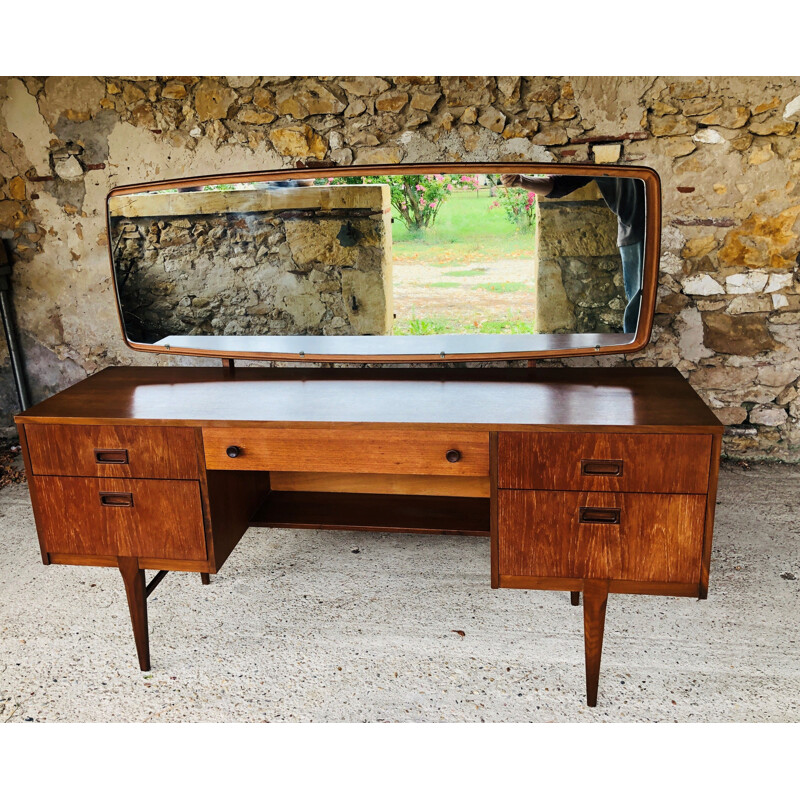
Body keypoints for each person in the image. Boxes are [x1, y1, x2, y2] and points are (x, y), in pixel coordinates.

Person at [501, 173, 645, 334]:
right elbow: (559, 184)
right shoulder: (597, 153)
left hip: (653, 228)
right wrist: (522, 180)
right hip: (637, 233)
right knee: (640, 310)